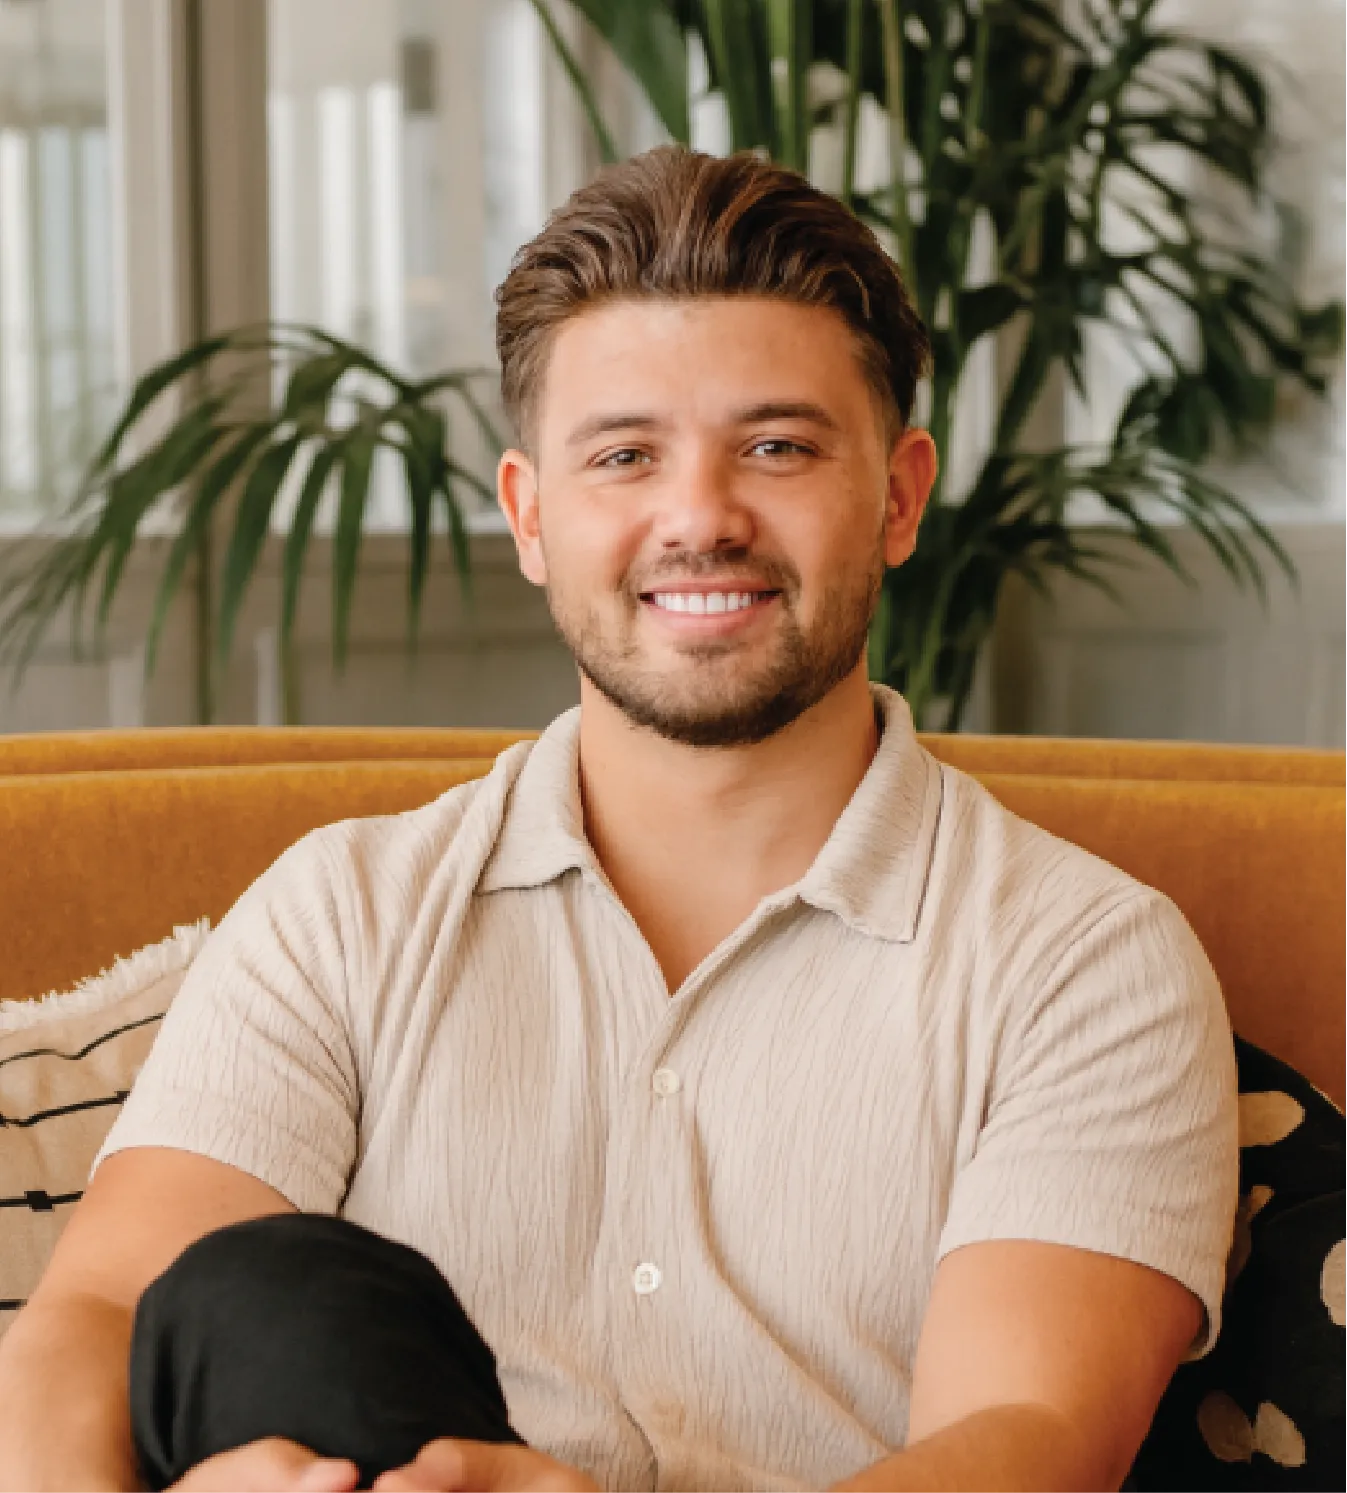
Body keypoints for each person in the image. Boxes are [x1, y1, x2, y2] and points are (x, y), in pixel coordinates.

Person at [0, 145, 1238, 1493]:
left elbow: (1022, 1448)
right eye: (625, 456)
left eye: (775, 446)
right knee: (261, 1288)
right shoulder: (342, 912)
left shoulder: (1086, 959)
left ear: (895, 496)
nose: (698, 516)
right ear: (530, 516)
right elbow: (106, 1312)